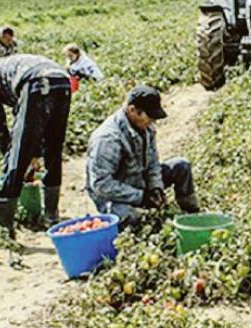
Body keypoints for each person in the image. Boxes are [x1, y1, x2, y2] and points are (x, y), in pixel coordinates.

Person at [85, 85, 199, 225]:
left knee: (181, 166)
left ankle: (192, 214)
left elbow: (153, 162)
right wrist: (141, 197)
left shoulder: (146, 128)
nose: (152, 121)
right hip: (114, 195)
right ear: (132, 110)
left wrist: (155, 188)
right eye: (149, 116)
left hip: (139, 181)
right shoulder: (108, 139)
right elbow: (101, 185)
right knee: (134, 218)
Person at [0, 54, 71, 230]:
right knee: (54, 147)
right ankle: (51, 215)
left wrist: (9, 156)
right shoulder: (11, 68)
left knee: (18, 153)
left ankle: (2, 226)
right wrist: (35, 154)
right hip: (62, 80)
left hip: (36, 81)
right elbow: (31, 119)